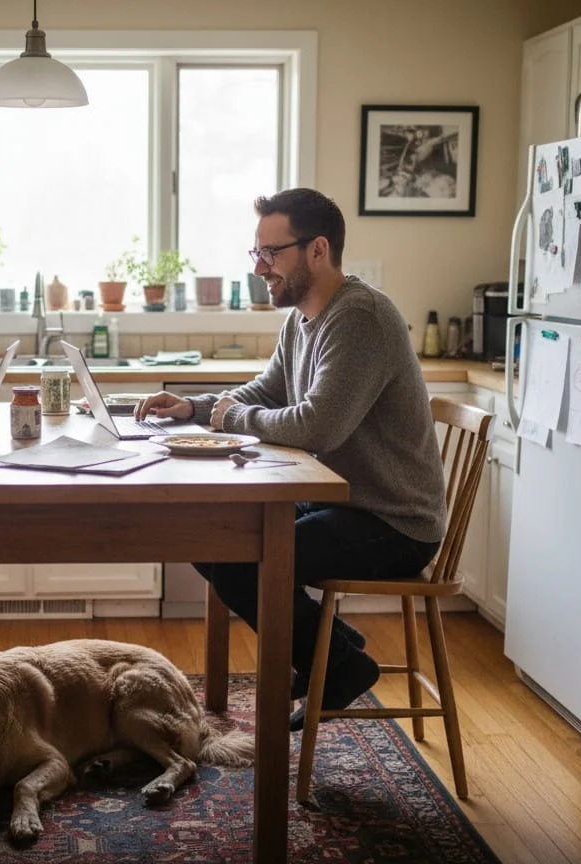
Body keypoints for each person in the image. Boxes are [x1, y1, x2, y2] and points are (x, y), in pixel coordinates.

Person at [134, 188, 446, 730]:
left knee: (245, 558)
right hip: (342, 502)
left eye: (271, 253)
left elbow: (317, 426)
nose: (260, 268)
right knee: (211, 536)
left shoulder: (360, 318)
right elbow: (267, 392)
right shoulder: (303, 318)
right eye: (256, 253)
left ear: (317, 250)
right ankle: (334, 650)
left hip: (394, 521)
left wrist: (231, 418)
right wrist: (195, 407)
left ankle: (339, 665)